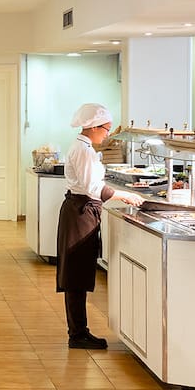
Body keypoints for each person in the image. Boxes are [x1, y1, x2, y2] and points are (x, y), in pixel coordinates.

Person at [57, 103, 143, 349]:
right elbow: (92, 187)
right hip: (80, 212)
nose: (107, 134)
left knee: (79, 273)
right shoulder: (83, 150)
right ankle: (77, 334)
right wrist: (124, 196)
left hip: (82, 211)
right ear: (93, 128)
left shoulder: (84, 147)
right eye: (105, 129)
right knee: (76, 274)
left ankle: (79, 331)